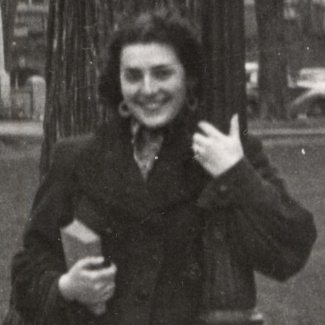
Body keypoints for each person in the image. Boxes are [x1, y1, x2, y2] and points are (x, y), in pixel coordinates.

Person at [6, 9, 316, 325]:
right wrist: (66, 288)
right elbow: (28, 269)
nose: (148, 89)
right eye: (133, 75)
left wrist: (237, 174)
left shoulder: (224, 150)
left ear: (189, 77)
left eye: (163, 73)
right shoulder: (76, 158)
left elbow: (290, 251)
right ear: (118, 82)